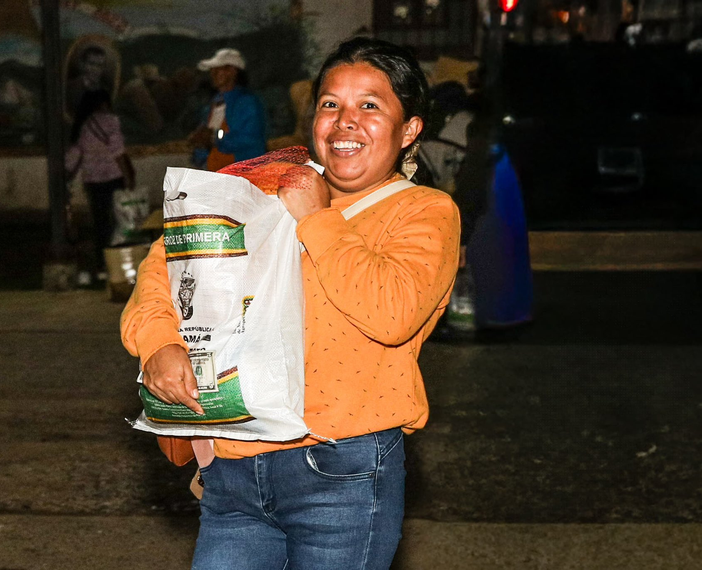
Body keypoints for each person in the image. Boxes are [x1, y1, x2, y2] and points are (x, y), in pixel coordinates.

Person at [121, 37, 461, 568]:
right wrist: (158, 342)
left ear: (410, 128)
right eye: (331, 104)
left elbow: (390, 314)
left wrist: (317, 218)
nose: (345, 121)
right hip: (232, 469)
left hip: (342, 472)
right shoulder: (261, 189)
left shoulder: (423, 212)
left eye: (370, 106)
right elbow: (165, 264)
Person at [65, 89, 135, 284]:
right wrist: (128, 177)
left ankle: (102, 266)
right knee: (120, 222)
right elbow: (118, 152)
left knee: (101, 224)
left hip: (92, 182)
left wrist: (66, 176)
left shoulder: (82, 125)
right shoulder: (111, 121)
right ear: (104, 103)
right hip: (113, 178)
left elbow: (74, 156)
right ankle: (121, 266)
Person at [188, 48, 267, 171]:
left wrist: (214, 138)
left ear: (232, 71)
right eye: (212, 70)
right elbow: (207, 135)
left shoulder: (247, 103)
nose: (212, 74)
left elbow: (249, 140)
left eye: (218, 69)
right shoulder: (215, 102)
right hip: (212, 168)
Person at [66, 45, 113, 118]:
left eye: (99, 65)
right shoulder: (70, 88)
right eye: (91, 64)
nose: (95, 69)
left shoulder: (105, 90)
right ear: (83, 65)